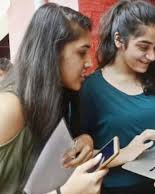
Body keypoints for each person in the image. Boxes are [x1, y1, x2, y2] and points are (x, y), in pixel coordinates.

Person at [73, 1, 155, 194]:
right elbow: (82, 154)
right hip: (118, 189)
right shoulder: (91, 88)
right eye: (143, 47)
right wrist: (123, 154)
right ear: (119, 40)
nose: (152, 56)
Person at [0, 3, 108, 194]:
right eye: (82, 52)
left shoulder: (56, 93)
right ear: (52, 51)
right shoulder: (9, 108)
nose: (89, 63)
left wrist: (84, 141)